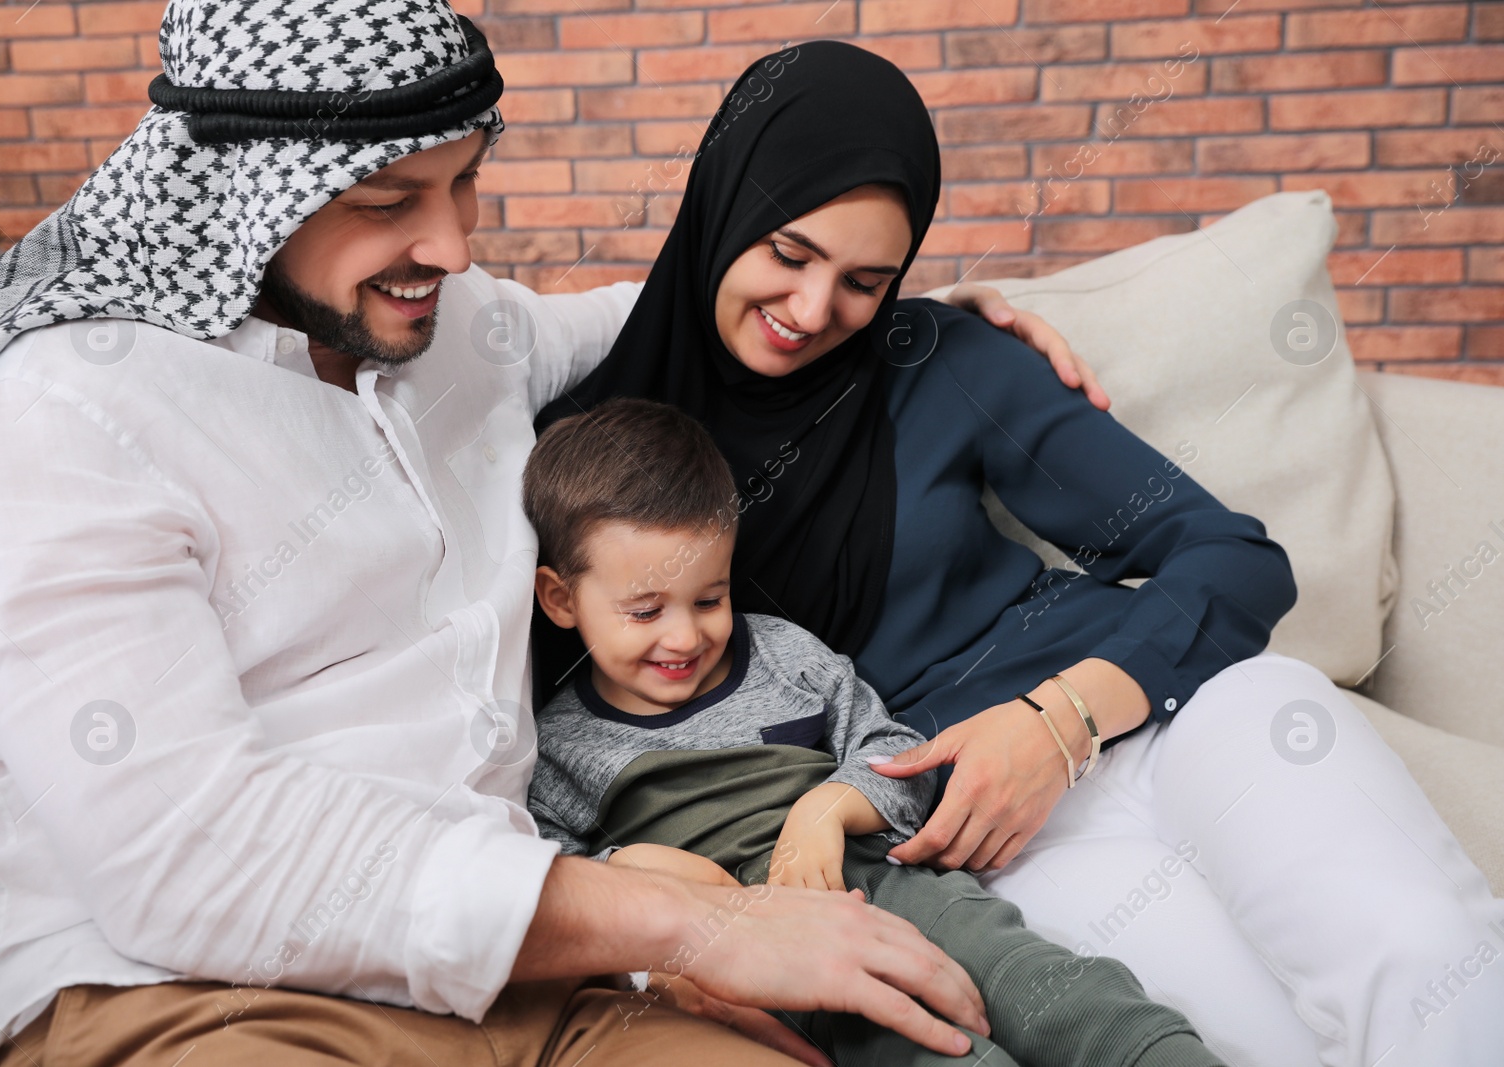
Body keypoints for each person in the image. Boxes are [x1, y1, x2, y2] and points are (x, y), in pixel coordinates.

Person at [0, 4, 1096, 1067]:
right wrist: (696, 925)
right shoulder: (71, 411)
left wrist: (918, 333)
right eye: (389, 202)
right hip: (178, 998)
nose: (454, 246)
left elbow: (690, 307)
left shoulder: (457, 327)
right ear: (237, 188)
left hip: (525, 982)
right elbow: (188, 858)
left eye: (465, 181)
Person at [533, 40, 1504, 1067]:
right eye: (788, 251)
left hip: (1179, 708)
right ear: (725, 203)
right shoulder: (587, 465)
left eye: (867, 279)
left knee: (1422, 959)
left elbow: (1231, 555)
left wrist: (1058, 722)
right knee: (1242, 1044)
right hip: (984, 841)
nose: (815, 312)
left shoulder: (933, 360)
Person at [521, 396, 1228, 1067]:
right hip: (751, 968)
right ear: (560, 597)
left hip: (895, 893)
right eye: (644, 611)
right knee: (933, 1051)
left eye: (710, 597)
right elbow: (549, 886)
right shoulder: (557, 746)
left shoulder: (780, 655)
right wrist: (645, 872)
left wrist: (825, 807)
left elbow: (894, 750)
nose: (685, 634)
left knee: (1068, 998)